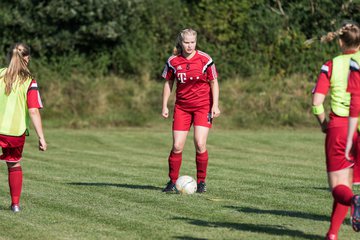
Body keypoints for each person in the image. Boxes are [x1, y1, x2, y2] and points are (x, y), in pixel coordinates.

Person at [312, 23, 360, 240]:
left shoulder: (331, 65)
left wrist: (323, 123)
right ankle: (331, 234)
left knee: (339, 187)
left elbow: (316, 103)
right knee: (346, 185)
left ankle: (354, 201)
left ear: (340, 41)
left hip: (341, 127)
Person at [161, 28, 220, 193]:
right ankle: (172, 181)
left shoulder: (205, 59)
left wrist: (215, 105)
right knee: (177, 146)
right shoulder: (173, 61)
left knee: (200, 144)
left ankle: (201, 182)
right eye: (186, 42)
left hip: (203, 107)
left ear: (196, 42)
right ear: (181, 42)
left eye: (192, 42)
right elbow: (168, 83)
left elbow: (214, 82)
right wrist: (165, 105)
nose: (189, 46)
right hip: (182, 108)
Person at [0, 43, 47, 212]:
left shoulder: (0, 74)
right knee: (13, 165)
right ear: (27, 59)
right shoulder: (29, 81)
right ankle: (15, 205)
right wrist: (41, 137)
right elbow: (33, 111)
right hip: (14, 131)